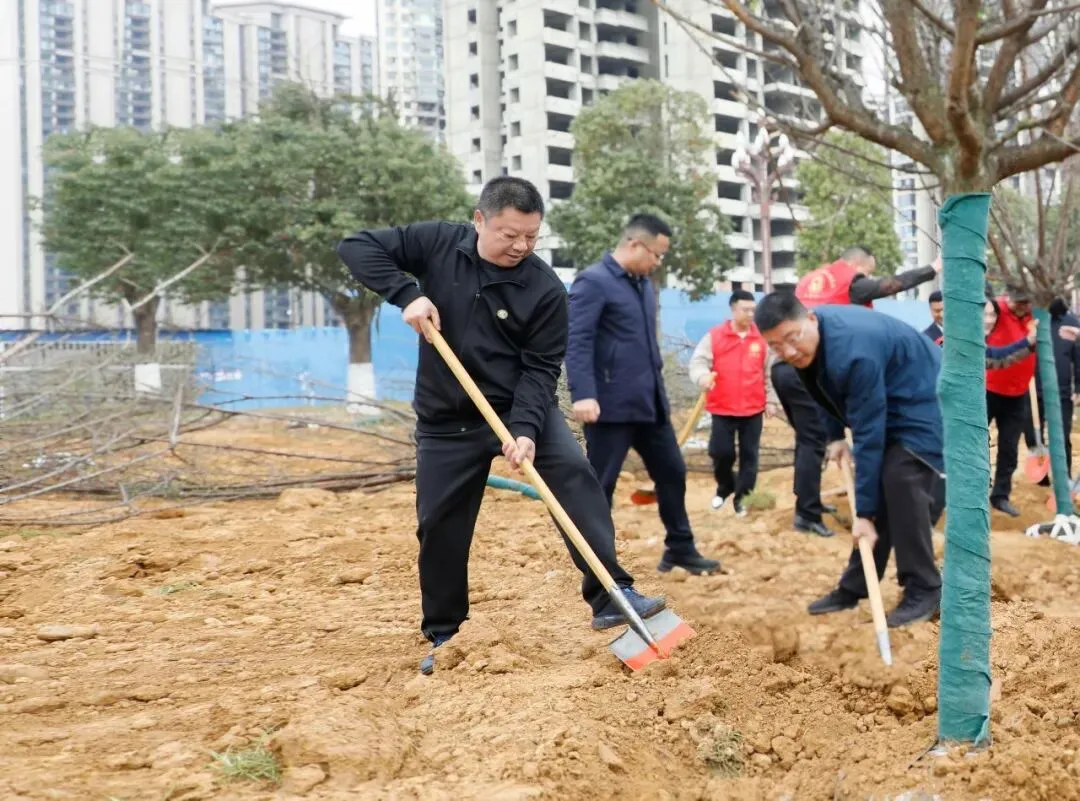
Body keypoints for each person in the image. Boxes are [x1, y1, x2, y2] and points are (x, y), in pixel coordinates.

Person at [336, 176, 665, 673]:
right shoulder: (438, 243)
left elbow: (540, 369)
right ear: (479, 220)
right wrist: (407, 295)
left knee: (574, 474)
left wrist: (526, 430)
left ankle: (611, 595)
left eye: (531, 236)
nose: (521, 246)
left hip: (518, 408)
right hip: (447, 417)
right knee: (439, 522)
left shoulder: (545, 289)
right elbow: (356, 246)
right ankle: (446, 634)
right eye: (510, 234)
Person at [755, 293, 944, 628]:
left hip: (927, 396)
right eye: (776, 346)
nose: (788, 352)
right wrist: (835, 436)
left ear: (810, 318)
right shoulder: (810, 341)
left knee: (900, 478)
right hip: (892, 392)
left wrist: (865, 515)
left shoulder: (854, 353)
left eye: (792, 339)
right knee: (885, 480)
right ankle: (856, 585)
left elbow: (869, 435)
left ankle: (925, 587)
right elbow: (822, 389)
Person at [565, 213, 720, 576]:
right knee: (601, 486)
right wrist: (583, 393)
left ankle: (680, 548)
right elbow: (578, 340)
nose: (658, 262)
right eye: (657, 254)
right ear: (635, 244)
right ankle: (597, 564)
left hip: (650, 405)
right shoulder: (594, 282)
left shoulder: (643, 285)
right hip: (609, 407)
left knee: (672, 473)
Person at [765, 248, 944, 538]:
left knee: (810, 440)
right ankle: (808, 513)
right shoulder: (851, 285)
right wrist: (932, 269)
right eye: (868, 271)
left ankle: (809, 507)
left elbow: (821, 383)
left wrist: (835, 435)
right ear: (856, 264)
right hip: (818, 358)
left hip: (792, 367)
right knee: (837, 438)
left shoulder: (813, 280)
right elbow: (890, 285)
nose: (868, 278)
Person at [687, 289, 769, 517]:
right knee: (720, 452)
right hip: (722, 407)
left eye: (753, 310)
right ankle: (725, 486)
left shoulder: (761, 338)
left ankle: (743, 498)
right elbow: (698, 362)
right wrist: (702, 377)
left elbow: (769, 372)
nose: (750, 314)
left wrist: (771, 400)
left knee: (749, 456)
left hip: (753, 408)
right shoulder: (715, 336)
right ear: (733, 310)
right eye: (745, 310)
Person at [985, 286, 1036, 517]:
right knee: (976, 442)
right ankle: (971, 490)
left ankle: (1000, 496)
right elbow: (997, 356)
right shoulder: (995, 310)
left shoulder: (1034, 316)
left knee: (1009, 448)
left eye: (1026, 303)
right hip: (988, 390)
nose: (1022, 307)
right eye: (1018, 302)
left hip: (1018, 394)